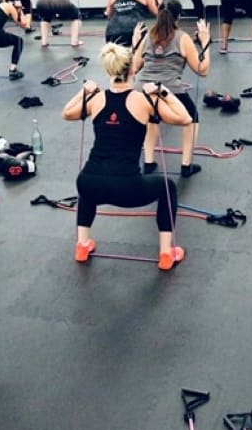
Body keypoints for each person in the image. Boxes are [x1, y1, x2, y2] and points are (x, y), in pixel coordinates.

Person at [62, 44, 191, 269]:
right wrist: (163, 91)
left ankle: (82, 246)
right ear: (133, 70)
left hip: (89, 183)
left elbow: (67, 113)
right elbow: (185, 118)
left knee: (89, 183)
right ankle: (166, 253)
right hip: (127, 188)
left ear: (108, 70)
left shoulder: (96, 99)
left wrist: (84, 91)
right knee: (168, 187)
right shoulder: (143, 100)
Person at [132, 0, 211, 178]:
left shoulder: (148, 36)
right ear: (179, 17)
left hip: (142, 90)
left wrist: (135, 44)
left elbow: (135, 67)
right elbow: (202, 70)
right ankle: (186, 165)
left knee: (152, 117)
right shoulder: (182, 37)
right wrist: (205, 42)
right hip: (169, 89)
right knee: (192, 119)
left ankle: (149, 163)